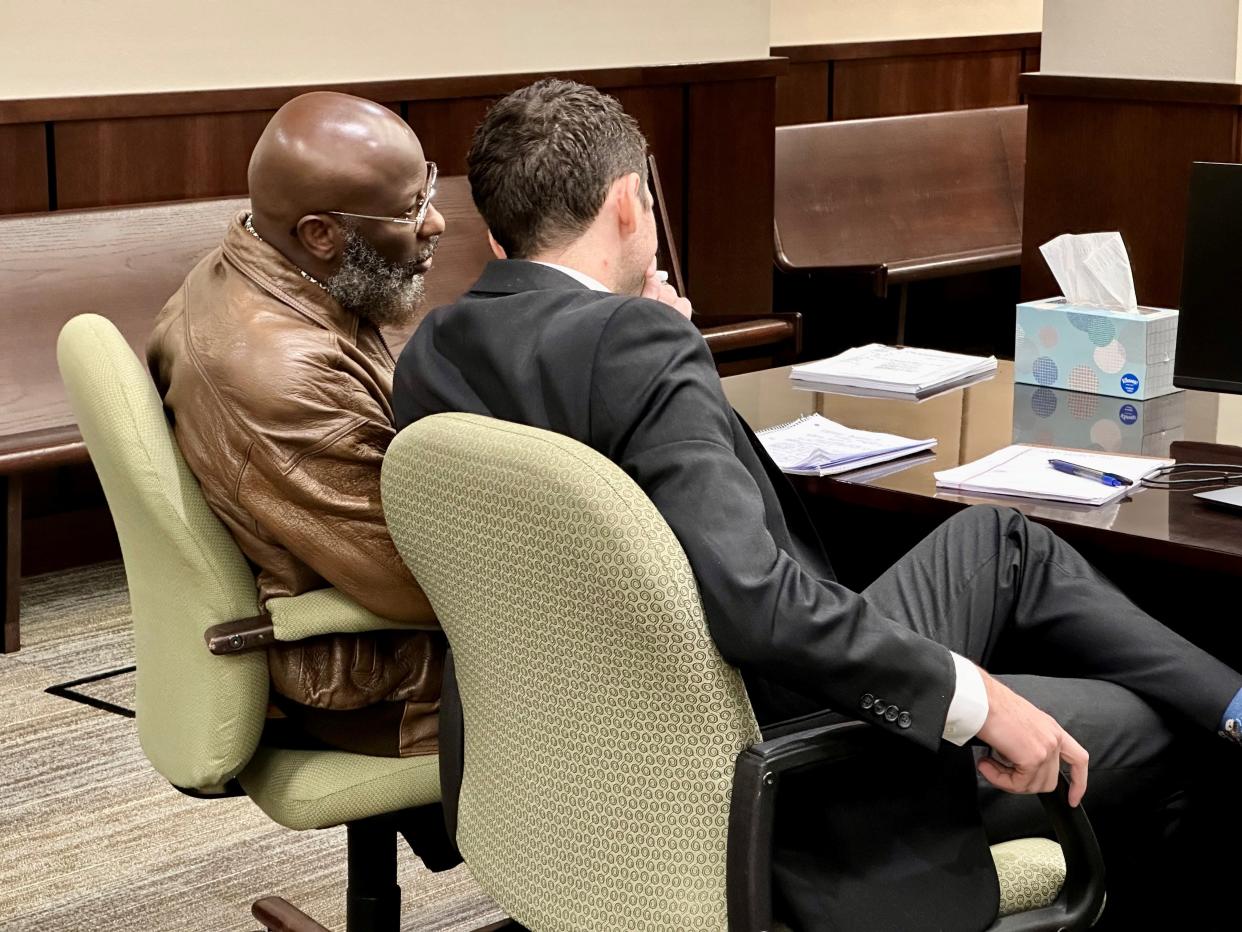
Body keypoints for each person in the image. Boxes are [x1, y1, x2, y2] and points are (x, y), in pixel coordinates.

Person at [391, 79, 1242, 929]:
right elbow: (757, 603)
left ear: (501, 227)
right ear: (626, 203)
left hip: (578, 752)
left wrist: (645, 343)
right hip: (776, 764)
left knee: (999, 539)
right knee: (1152, 733)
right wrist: (980, 699)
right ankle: (1222, 721)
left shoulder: (436, 350)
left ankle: (1236, 700)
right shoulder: (639, 346)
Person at [148, 92, 447, 761]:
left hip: (359, 619)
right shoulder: (279, 372)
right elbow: (419, 578)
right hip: (373, 676)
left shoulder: (271, 267)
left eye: (425, 190)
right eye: (410, 210)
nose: (436, 222)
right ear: (321, 234)